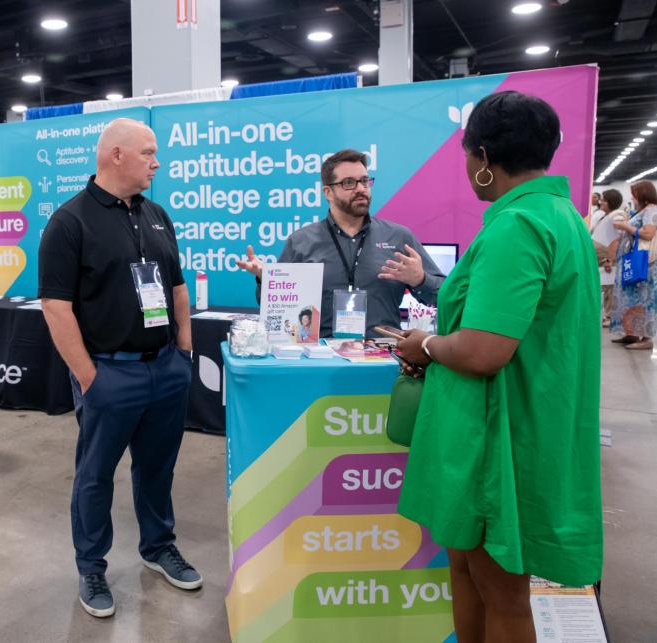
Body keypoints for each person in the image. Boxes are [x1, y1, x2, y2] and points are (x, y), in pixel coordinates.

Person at [395, 91, 602, 643]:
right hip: (514, 423)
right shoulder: (560, 215)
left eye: (466, 155)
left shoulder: (516, 226)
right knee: (468, 568)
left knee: (501, 588)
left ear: (483, 157)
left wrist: (428, 345)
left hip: (500, 436)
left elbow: (485, 350)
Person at [39, 118, 200, 618]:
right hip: (110, 374)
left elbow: (175, 287)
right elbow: (55, 308)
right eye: (148, 153)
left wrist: (184, 354)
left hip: (164, 369)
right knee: (96, 476)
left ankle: (158, 547)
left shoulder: (156, 214)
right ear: (115, 155)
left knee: (158, 467)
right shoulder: (70, 222)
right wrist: (90, 378)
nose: (157, 162)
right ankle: (92, 565)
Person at [236, 149, 445, 337]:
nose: (360, 188)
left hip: (383, 362)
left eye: (364, 181)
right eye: (349, 183)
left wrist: (420, 279)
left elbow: (444, 297)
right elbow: (276, 310)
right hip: (321, 362)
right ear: (328, 192)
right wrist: (268, 281)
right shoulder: (301, 242)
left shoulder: (398, 237)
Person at [610, 180, 657, 350]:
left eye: (635, 193)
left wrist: (625, 226)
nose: (632, 196)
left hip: (644, 263)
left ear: (644, 193)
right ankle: (631, 333)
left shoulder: (652, 209)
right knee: (630, 297)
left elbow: (648, 234)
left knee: (644, 298)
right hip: (633, 261)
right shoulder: (642, 210)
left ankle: (645, 337)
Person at [591, 189, 626, 327]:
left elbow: (616, 239)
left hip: (608, 258)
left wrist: (610, 259)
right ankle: (607, 314)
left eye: (604, 200)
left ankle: (610, 316)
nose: (601, 202)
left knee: (609, 287)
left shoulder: (617, 215)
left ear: (611, 202)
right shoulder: (606, 216)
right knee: (605, 286)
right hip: (601, 257)